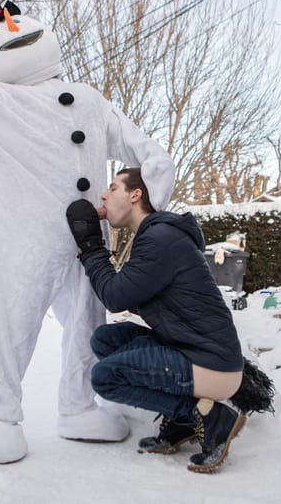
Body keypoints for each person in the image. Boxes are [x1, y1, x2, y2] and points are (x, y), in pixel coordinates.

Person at [0, 0, 175, 464]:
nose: (13, 28)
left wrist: (156, 189)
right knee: (11, 323)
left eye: (15, 20)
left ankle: (78, 406)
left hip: (87, 243)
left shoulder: (88, 98)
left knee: (86, 323)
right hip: (26, 241)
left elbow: (138, 146)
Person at [65, 167, 247, 473]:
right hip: (193, 348)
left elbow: (115, 296)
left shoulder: (160, 239)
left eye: (113, 187)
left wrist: (91, 247)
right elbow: (136, 296)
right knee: (105, 339)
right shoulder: (157, 235)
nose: (104, 195)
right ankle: (183, 422)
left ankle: (205, 416)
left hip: (212, 364)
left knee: (105, 377)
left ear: (135, 195)